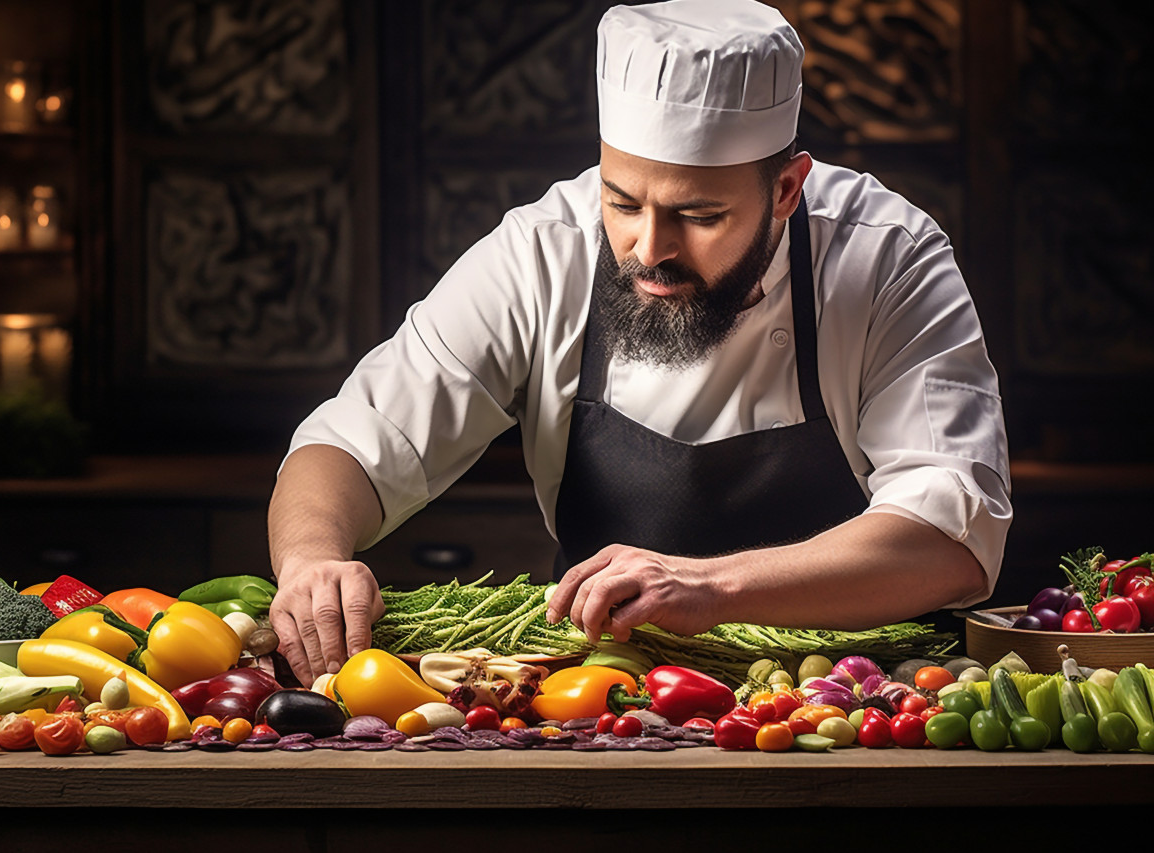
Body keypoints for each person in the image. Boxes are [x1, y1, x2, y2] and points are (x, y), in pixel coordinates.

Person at [268, 0, 1012, 686]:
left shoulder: (886, 258)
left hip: (859, 708)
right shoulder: (542, 252)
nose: (647, 249)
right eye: (622, 201)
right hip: (607, 705)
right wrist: (311, 559)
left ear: (786, 190)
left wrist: (709, 587)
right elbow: (354, 441)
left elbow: (950, 534)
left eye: (699, 214)